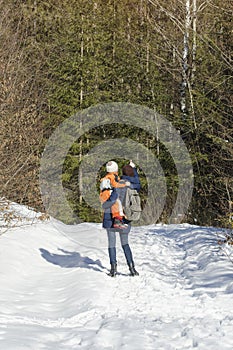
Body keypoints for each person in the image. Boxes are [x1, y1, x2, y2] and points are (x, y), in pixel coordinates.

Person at [101, 160, 140, 277]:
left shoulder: (111, 182)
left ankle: (113, 269)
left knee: (112, 244)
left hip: (109, 217)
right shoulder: (130, 184)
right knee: (125, 244)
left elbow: (110, 200)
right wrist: (133, 169)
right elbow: (137, 182)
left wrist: (105, 204)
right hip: (125, 217)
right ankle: (132, 268)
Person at [99, 161, 130, 229]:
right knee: (117, 204)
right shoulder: (111, 177)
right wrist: (124, 185)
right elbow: (115, 185)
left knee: (110, 209)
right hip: (108, 194)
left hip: (104, 195)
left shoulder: (108, 176)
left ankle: (111, 223)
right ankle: (117, 221)